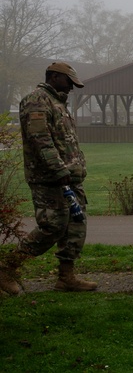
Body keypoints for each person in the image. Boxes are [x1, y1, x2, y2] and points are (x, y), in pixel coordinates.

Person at [0, 62, 96, 295]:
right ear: (54, 77)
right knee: (52, 226)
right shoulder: (37, 101)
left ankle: (66, 277)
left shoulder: (58, 103)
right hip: (49, 179)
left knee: (75, 226)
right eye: (68, 81)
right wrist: (59, 170)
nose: (72, 87)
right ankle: (6, 269)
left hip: (70, 179)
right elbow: (40, 140)